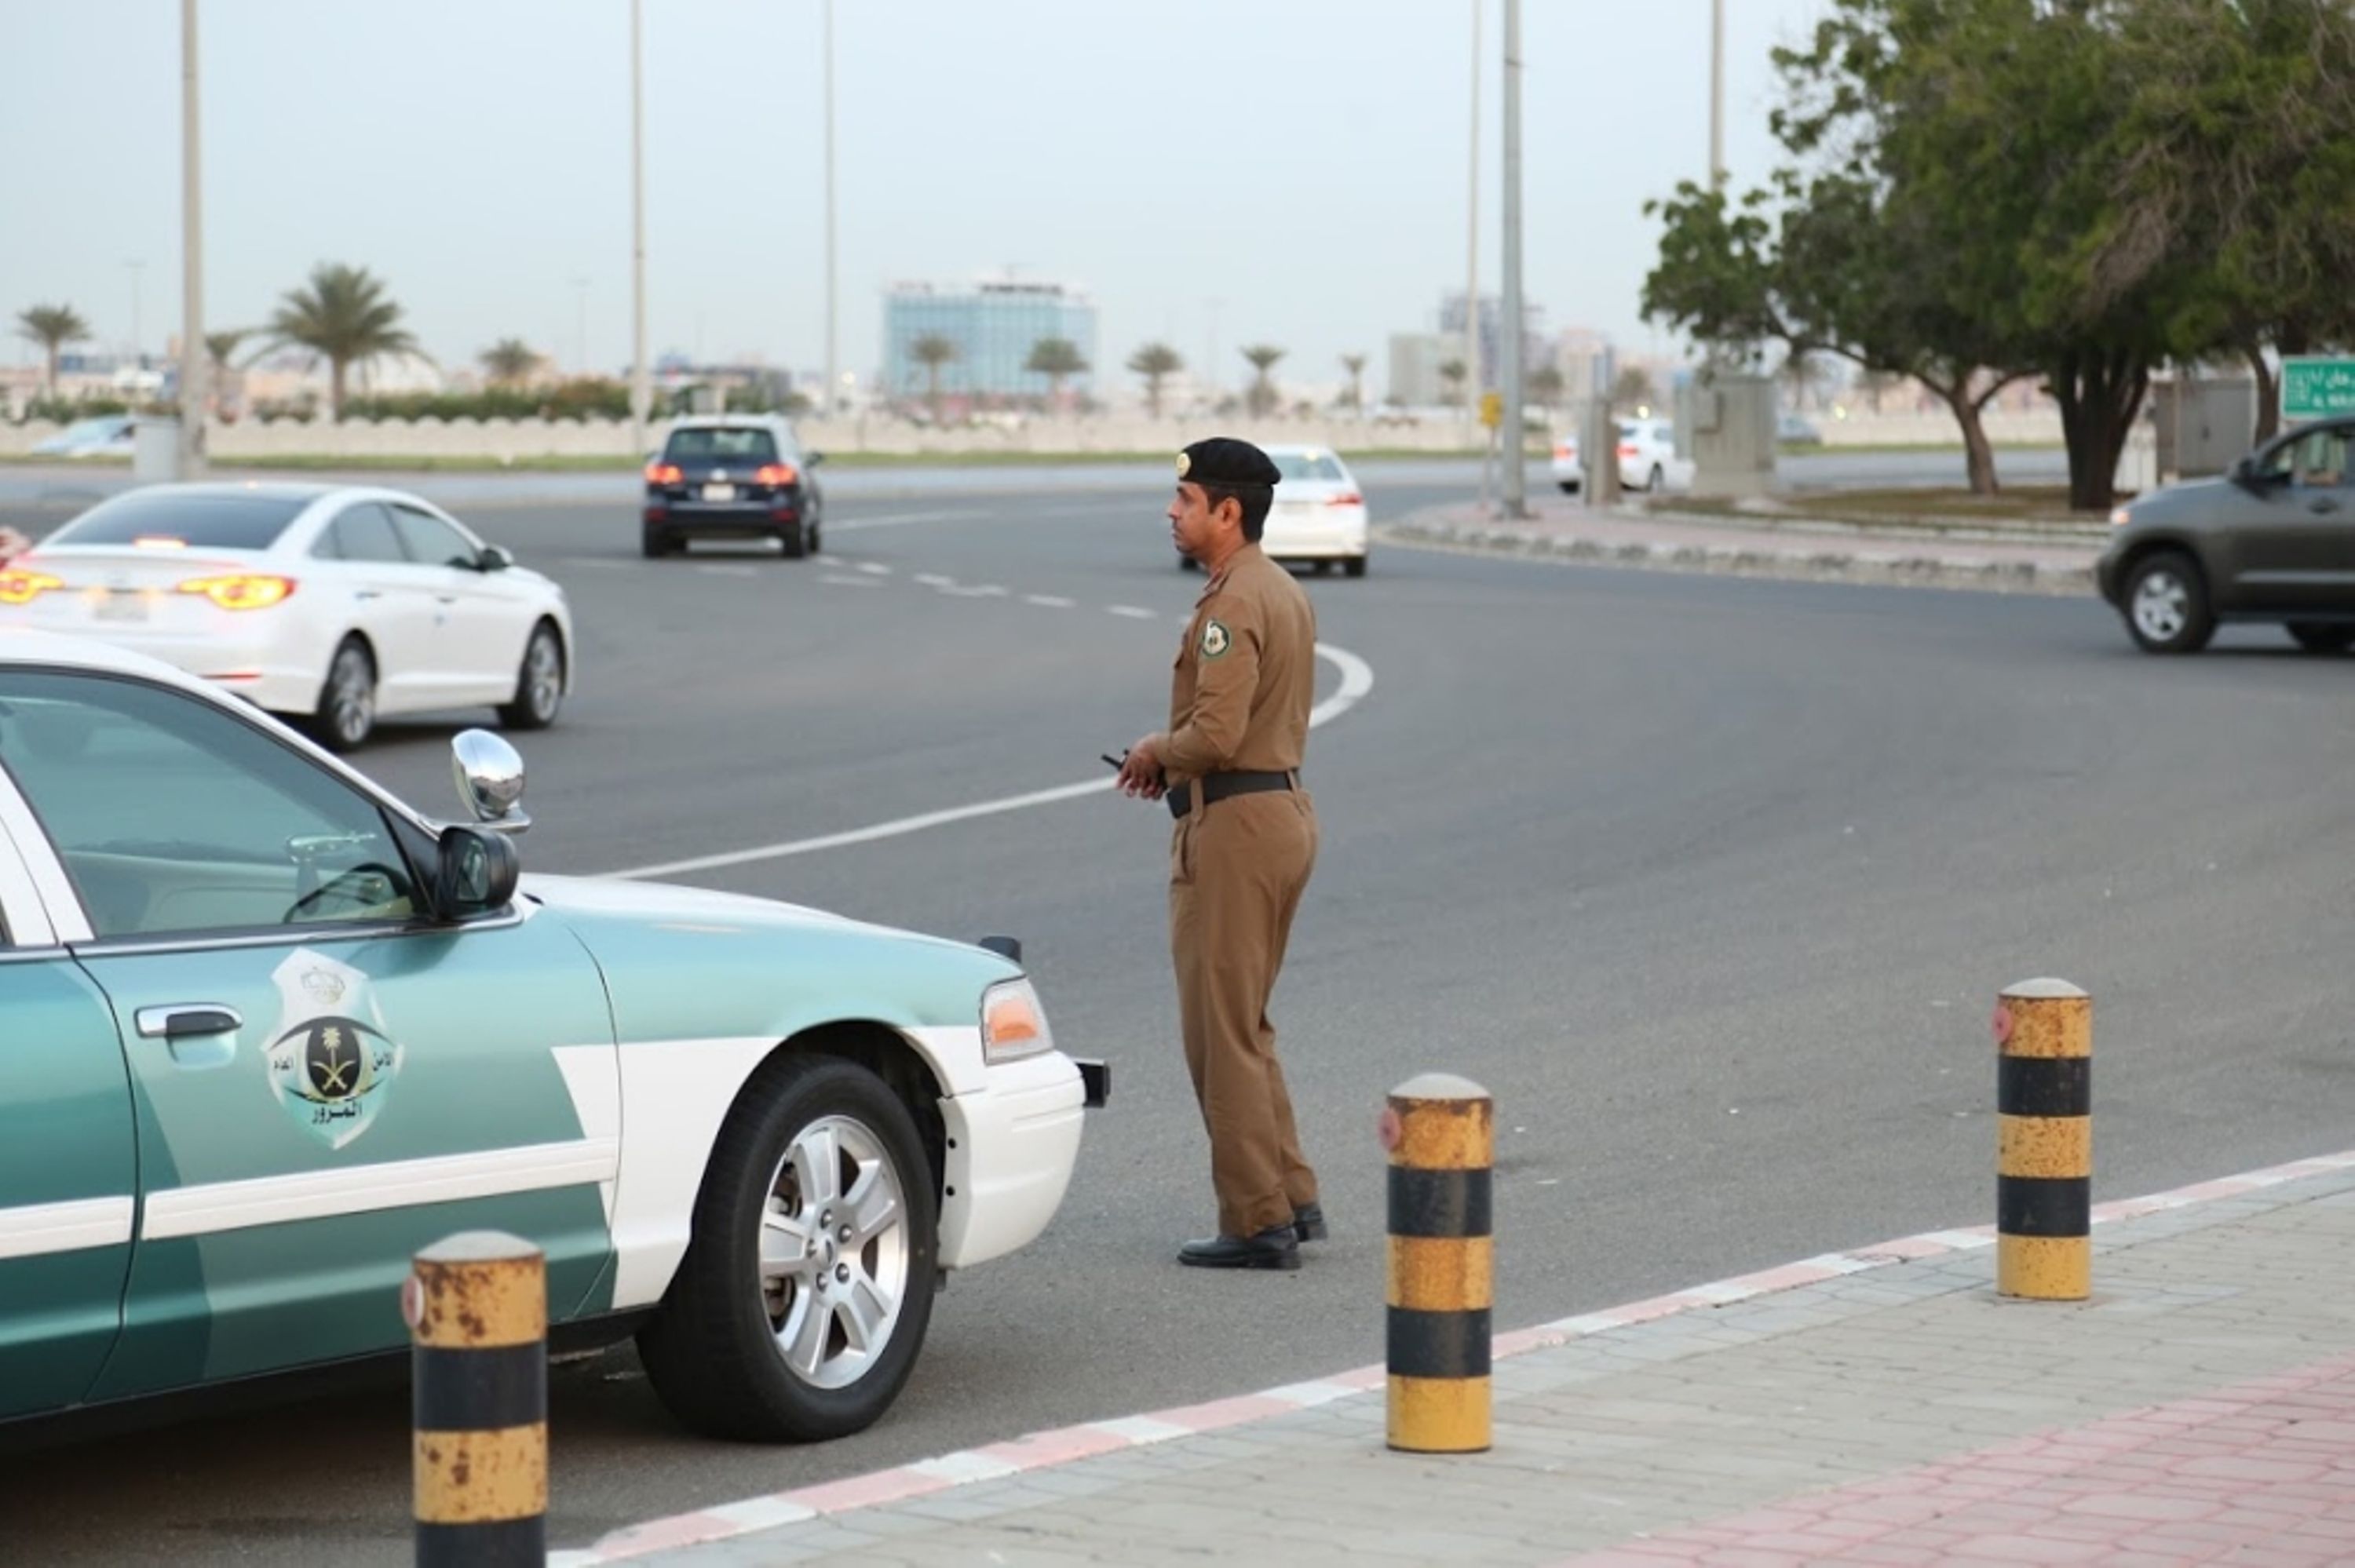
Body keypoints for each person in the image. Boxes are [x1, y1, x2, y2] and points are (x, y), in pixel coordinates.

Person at [1116, 437, 1324, 1271]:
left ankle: (1256, 1221)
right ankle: (1293, 1196)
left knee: (1219, 1036)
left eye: (1187, 499)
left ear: (1227, 512)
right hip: (1277, 813)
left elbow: (1217, 732)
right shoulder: (1276, 587)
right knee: (1249, 1026)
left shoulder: (1235, 604)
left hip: (1236, 830)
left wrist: (1153, 750)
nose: (1172, 511)